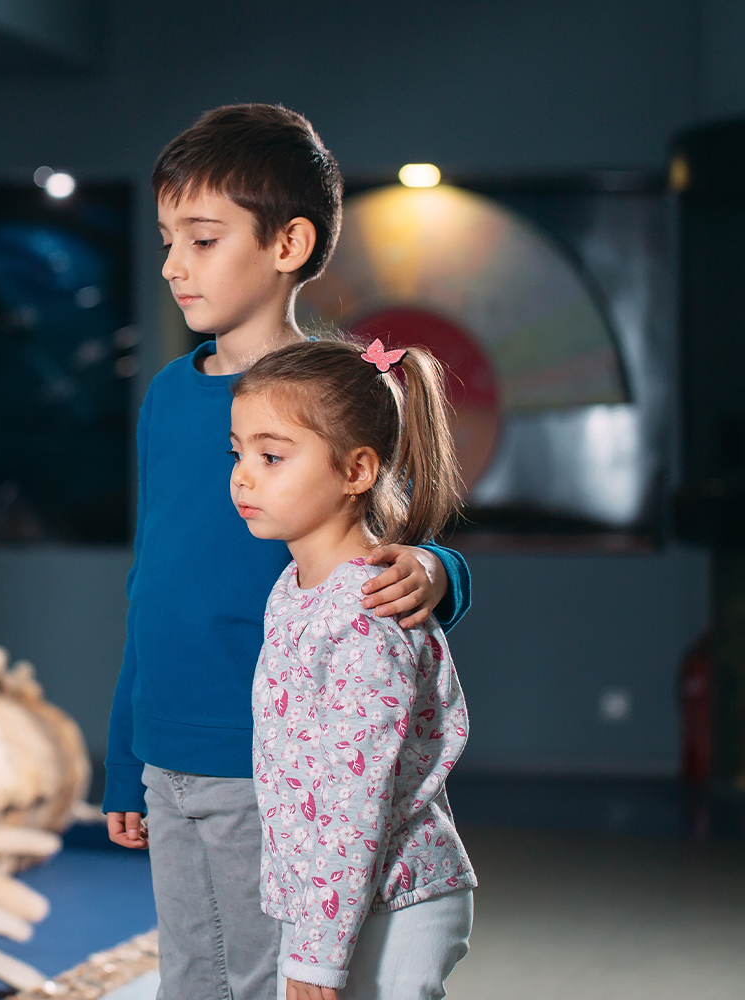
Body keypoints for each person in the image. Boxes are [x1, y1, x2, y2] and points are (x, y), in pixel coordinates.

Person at [103, 104, 472, 1000]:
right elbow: (151, 582)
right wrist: (124, 750)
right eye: (166, 240)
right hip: (166, 756)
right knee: (190, 976)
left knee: (266, 981)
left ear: (288, 243)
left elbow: (399, 539)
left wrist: (437, 571)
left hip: (270, 764)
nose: (172, 265)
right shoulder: (165, 394)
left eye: (200, 238)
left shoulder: (337, 397)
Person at [229, 337, 475, 999]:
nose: (243, 475)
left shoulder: (366, 612)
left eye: (271, 456)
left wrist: (317, 955)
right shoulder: (293, 587)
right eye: (239, 452)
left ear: (357, 470)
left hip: (391, 901)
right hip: (336, 904)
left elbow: (354, 801)